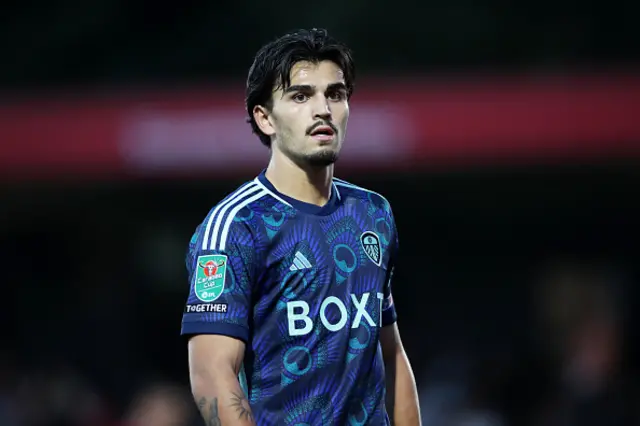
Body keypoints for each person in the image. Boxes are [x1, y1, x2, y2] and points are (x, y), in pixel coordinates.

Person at [181, 28, 421, 426]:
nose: (323, 109)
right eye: (300, 96)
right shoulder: (236, 227)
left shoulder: (373, 214)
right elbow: (211, 375)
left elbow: (391, 354)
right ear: (265, 117)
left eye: (336, 94)